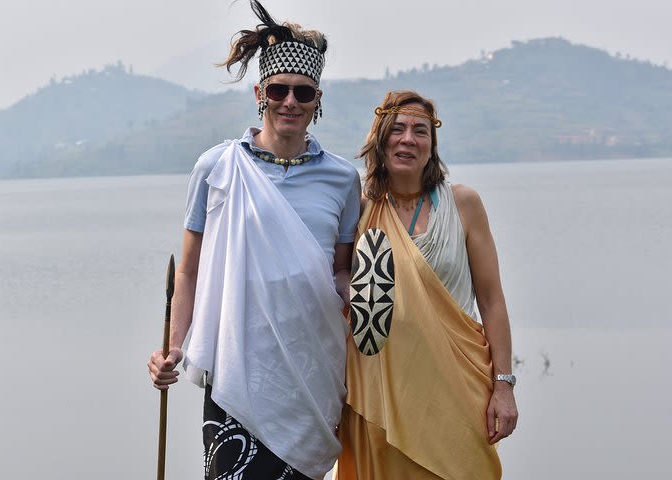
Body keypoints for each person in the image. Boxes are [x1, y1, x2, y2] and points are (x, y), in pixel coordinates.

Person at [147, 2, 360, 479]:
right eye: (278, 90)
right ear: (260, 94)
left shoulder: (344, 179)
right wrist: (174, 348)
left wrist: (370, 300)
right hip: (237, 363)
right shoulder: (217, 167)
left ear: (317, 99)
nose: (290, 102)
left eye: (302, 93)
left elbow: (340, 270)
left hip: (312, 366)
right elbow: (189, 270)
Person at [335, 91, 518, 479]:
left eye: (420, 131)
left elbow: (491, 299)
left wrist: (504, 386)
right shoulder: (359, 207)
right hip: (379, 394)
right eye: (397, 129)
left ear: (431, 146)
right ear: (380, 138)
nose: (408, 139)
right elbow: (337, 284)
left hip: (454, 389)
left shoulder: (463, 204)